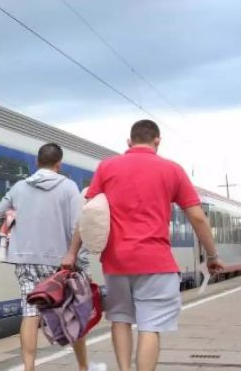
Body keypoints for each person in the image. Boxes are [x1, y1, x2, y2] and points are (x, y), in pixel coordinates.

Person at [62, 120, 224, 371]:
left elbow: (88, 213)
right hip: (156, 262)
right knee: (150, 326)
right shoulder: (172, 170)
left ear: (129, 141)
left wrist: (72, 252)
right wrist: (212, 255)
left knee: (120, 320)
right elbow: (198, 217)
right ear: (157, 140)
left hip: (116, 262)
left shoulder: (107, 167)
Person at [0, 143, 102, 371]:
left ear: (36, 162)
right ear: (58, 164)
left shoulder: (19, 188)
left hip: (25, 260)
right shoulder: (69, 187)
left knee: (30, 311)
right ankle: (83, 367)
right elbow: (76, 226)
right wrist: (81, 262)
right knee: (74, 311)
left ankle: (29, 367)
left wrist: (14, 235)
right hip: (60, 262)